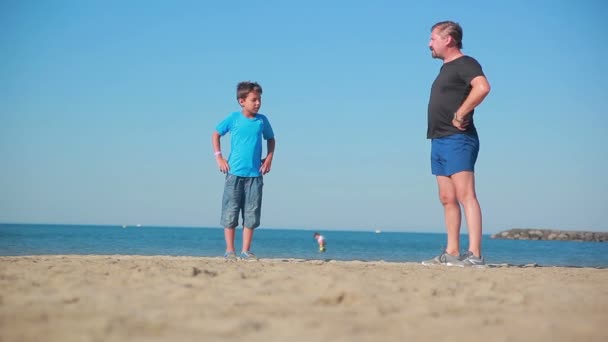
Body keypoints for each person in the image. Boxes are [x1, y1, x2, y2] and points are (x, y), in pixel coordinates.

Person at [422, 21, 491, 267]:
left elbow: (482, 87)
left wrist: (462, 113)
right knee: (446, 197)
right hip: (438, 139)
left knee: (465, 195)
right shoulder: (445, 69)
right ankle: (452, 252)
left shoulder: (466, 63)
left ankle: (475, 254)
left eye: (433, 38)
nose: (429, 43)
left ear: (448, 39)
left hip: (459, 138)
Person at [212, 81, 275, 261]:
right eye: (254, 100)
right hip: (234, 174)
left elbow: (271, 139)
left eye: (259, 100)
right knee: (230, 211)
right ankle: (230, 250)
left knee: (251, 213)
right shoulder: (233, 119)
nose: (258, 103)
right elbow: (216, 134)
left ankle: (246, 250)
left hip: (255, 175)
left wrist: (269, 158)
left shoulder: (262, 121)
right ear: (242, 101)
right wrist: (219, 157)